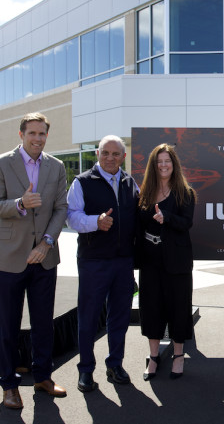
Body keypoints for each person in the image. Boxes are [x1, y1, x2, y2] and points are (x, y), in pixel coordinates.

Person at [0, 112, 68, 409]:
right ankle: (9, 385)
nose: (37, 138)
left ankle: (43, 377)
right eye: (32, 133)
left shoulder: (56, 166)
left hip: (44, 257)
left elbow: (61, 208)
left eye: (42, 133)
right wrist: (19, 203)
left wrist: (46, 243)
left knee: (43, 323)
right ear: (21, 135)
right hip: (9, 257)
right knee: (8, 325)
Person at [67, 135, 139, 392]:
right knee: (88, 318)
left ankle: (115, 364)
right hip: (93, 261)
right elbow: (71, 217)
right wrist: (95, 222)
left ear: (123, 157)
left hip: (123, 262)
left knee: (119, 317)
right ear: (97, 154)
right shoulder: (82, 182)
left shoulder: (131, 183)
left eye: (115, 153)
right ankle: (86, 370)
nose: (110, 158)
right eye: (105, 153)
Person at [135, 143, 197, 380]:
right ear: (153, 165)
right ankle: (153, 357)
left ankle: (178, 355)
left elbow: (186, 223)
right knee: (151, 308)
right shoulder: (144, 192)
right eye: (159, 161)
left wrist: (167, 217)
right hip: (150, 260)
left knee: (178, 307)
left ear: (174, 164)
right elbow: (138, 226)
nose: (163, 165)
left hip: (176, 260)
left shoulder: (185, 192)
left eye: (167, 161)